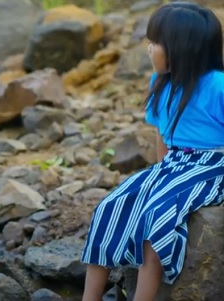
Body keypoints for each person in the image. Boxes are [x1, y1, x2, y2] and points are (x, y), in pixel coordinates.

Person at [80, 2, 224, 301]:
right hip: (175, 163)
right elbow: (162, 138)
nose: (149, 49)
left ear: (182, 49)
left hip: (214, 163)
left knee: (157, 216)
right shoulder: (160, 83)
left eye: (156, 43)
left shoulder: (217, 86)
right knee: (110, 205)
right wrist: (159, 177)